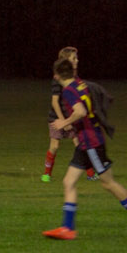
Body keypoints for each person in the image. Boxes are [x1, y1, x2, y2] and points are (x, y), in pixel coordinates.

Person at [42, 60, 127, 241]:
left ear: (57, 76)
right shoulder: (79, 84)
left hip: (91, 143)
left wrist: (64, 122)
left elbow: (81, 111)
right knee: (68, 182)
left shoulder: (69, 91)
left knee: (108, 183)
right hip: (86, 143)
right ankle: (68, 228)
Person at [43, 46, 78, 180]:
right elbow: (55, 102)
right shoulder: (58, 79)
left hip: (71, 118)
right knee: (54, 146)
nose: (77, 60)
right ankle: (46, 174)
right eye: (74, 58)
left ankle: (91, 174)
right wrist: (63, 121)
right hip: (57, 118)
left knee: (80, 144)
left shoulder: (75, 79)